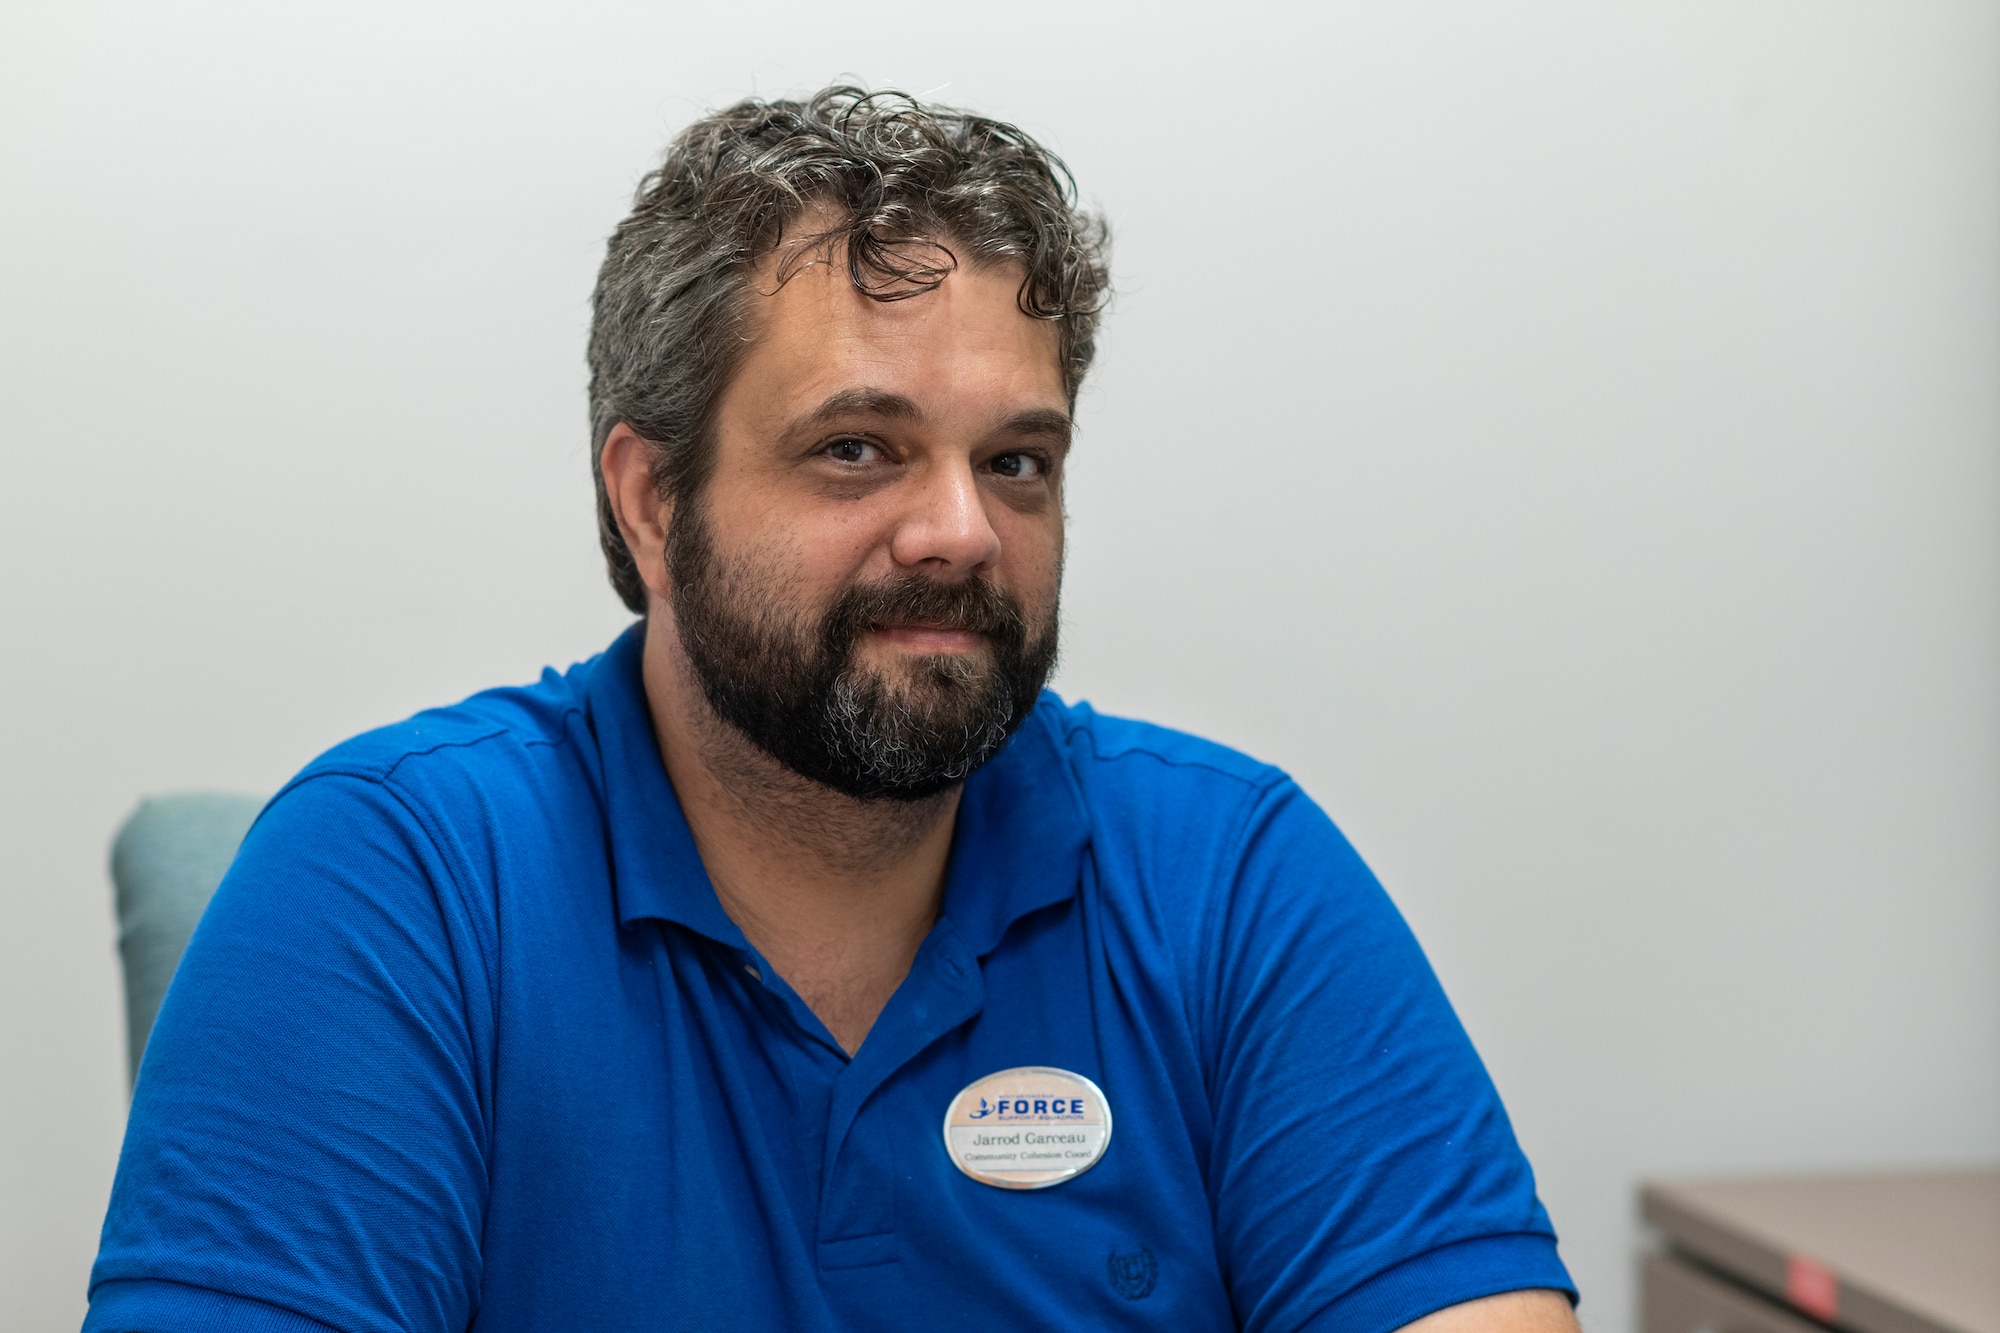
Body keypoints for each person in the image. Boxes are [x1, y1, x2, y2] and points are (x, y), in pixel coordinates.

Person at [85, 87, 1579, 1333]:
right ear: (653, 500)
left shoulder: (1230, 877)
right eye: (861, 449)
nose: (963, 532)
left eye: (1018, 462)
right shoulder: (399, 880)